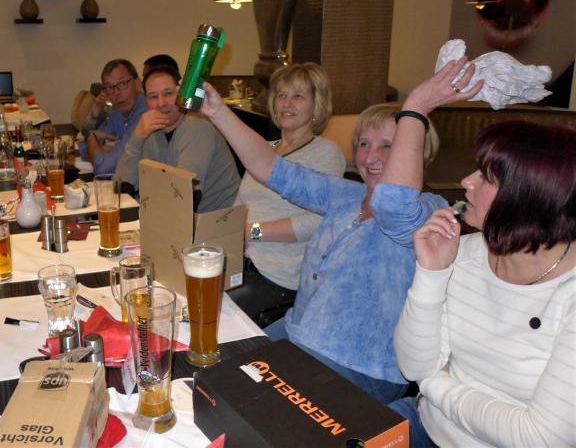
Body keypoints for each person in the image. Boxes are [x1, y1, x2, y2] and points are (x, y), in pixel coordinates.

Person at [199, 57, 483, 403]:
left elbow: (393, 204)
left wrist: (416, 109)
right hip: (298, 335)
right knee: (208, 374)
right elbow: (270, 168)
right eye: (364, 144)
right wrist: (218, 112)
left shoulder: (429, 210)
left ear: (415, 151)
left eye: (388, 146)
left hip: (358, 365)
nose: (371, 156)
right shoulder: (347, 196)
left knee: (244, 402)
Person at [391, 120, 576, 447]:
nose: (466, 181)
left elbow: (541, 438)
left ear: (532, 197)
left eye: (486, 177)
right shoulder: (463, 251)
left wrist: (433, 384)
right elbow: (412, 365)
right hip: (426, 422)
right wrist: (431, 271)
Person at [228, 63, 346, 327]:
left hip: (279, 276)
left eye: (298, 96)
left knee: (216, 320)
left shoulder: (325, 153)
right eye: (281, 95)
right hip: (241, 264)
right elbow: (239, 205)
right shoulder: (263, 149)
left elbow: (317, 221)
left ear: (317, 105)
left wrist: (252, 231)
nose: (286, 103)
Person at [116, 64, 240, 213]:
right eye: (153, 97)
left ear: (181, 94)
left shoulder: (198, 125)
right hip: (173, 217)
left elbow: (185, 197)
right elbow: (122, 189)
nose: (161, 103)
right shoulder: (151, 130)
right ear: (146, 101)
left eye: (168, 93)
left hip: (217, 221)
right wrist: (137, 137)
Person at [79, 59, 148, 175]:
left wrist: (91, 138)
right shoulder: (116, 111)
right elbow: (83, 149)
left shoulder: (145, 113)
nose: (116, 93)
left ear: (137, 84)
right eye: (110, 88)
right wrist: (104, 150)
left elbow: (103, 168)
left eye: (122, 84)